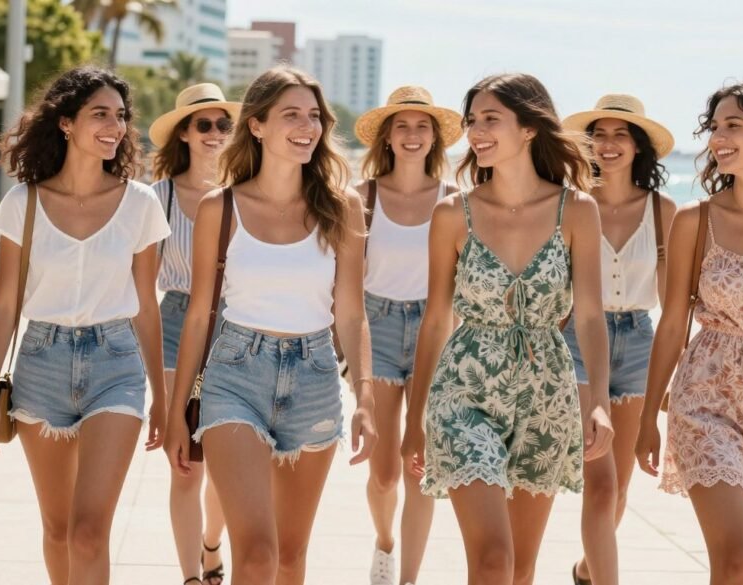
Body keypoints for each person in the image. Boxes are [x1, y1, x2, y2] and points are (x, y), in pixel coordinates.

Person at [163, 65, 378, 585]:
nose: (307, 126)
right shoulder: (222, 206)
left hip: (315, 379)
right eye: (291, 115)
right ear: (257, 125)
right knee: (256, 554)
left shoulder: (342, 207)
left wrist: (366, 398)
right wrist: (175, 414)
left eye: (313, 116)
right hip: (236, 375)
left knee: (289, 557)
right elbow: (197, 316)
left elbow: (350, 312)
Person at [401, 72, 614, 585]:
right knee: (493, 559)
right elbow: (435, 320)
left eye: (491, 119)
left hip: (546, 393)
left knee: (519, 568)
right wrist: (415, 420)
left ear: (529, 128)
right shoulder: (454, 213)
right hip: (465, 390)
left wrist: (600, 401)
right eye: (472, 121)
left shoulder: (577, 211)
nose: (475, 131)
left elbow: (587, 315)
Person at [0, 66, 169, 585]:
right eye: (100, 114)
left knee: (88, 532)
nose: (115, 126)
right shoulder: (24, 202)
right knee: (59, 529)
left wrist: (164, 399)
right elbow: (5, 303)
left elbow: (146, 306)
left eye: (121, 116)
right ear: (65, 123)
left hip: (117, 364)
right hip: (41, 363)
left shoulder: (140, 203)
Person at [636, 81, 743, 585]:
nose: (717, 138)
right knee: (736, 561)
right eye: (714, 127)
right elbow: (670, 323)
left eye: (733, 126)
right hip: (706, 397)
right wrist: (649, 417)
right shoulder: (696, 220)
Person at [560, 94, 677, 585]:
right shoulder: (568, 204)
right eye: (598, 135)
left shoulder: (663, 209)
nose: (608, 145)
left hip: (638, 341)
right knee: (601, 485)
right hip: (577, 340)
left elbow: (675, 304)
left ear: (638, 147)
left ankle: (588, 569)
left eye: (619, 135)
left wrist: (679, 371)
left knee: (622, 484)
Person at [352, 85, 462, 585]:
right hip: (376, 326)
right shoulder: (362, 197)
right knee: (384, 473)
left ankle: (408, 579)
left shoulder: (456, 201)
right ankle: (384, 541)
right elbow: (346, 284)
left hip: (436, 329)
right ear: (388, 138)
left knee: (420, 466)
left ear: (435, 138)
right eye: (403, 126)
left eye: (422, 126)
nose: (413, 135)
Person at [148, 82, 241, 585]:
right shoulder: (156, 197)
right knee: (184, 460)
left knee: (227, 463)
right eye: (202, 124)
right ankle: (189, 576)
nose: (214, 133)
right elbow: (139, 285)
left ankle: (211, 544)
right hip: (176, 320)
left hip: (236, 325)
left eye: (223, 124)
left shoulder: (247, 191)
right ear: (183, 132)